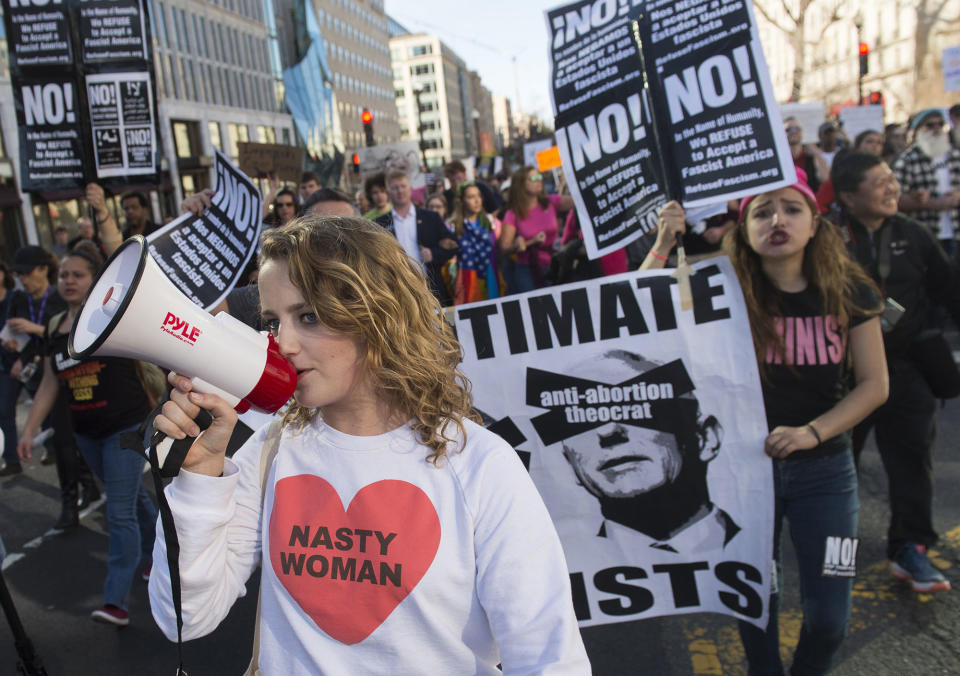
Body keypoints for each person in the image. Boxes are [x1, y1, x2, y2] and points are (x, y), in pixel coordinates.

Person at [148, 215, 590, 674]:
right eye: (273, 322)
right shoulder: (273, 448)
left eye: (309, 317)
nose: (284, 344)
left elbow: (549, 656)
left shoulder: (480, 465)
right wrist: (199, 479)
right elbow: (185, 617)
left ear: (379, 316)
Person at [643, 169, 888, 674]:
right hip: (747, 477)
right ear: (744, 228)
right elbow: (637, 308)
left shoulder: (850, 289)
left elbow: (875, 385)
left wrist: (812, 433)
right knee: (756, 607)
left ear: (816, 223)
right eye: (763, 211)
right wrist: (665, 243)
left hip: (828, 474)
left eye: (792, 208)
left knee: (830, 620)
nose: (778, 220)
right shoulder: (718, 285)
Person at [833, 151, 960, 593]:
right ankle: (834, 556)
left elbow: (950, 293)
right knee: (836, 468)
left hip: (904, 370)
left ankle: (911, 550)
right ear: (849, 196)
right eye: (880, 181)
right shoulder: (824, 239)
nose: (892, 188)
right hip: (840, 377)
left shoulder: (915, 235)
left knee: (911, 463)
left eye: (892, 179)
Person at [17, 244, 157, 626]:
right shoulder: (54, 326)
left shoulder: (112, 316)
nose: (68, 281)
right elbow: (49, 384)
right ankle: (161, 552)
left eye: (78, 275)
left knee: (119, 510)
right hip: (87, 434)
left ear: (95, 278)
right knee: (130, 498)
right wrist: (28, 431)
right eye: (64, 275)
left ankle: (115, 601)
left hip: (126, 427)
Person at [547, 350, 734, 555]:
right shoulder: (561, 562)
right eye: (581, 417)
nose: (607, 431)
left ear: (705, 438)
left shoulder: (766, 546)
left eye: (635, 406)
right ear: (570, 462)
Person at [0, 246, 67, 476]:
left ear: (43, 269)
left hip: (56, 370)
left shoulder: (59, 296)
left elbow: (67, 333)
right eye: (19, 274)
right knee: (39, 419)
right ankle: (18, 458)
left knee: (63, 426)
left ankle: (84, 484)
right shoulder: (19, 298)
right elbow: (13, 333)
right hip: (28, 368)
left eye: (26, 273)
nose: (22, 279)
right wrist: (12, 345)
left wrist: (35, 328)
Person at [376, 171, 459, 306]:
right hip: (399, 293)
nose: (400, 191)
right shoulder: (380, 224)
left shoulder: (431, 217)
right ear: (388, 192)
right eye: (395, 188)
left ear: (410, 189)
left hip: (432, 289)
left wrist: (433, 254)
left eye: (403, 186)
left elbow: (454, 245)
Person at [892, 108, 960, 259]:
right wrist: (928, 203)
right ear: (917, 131)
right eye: (930, 125)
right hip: (925, 234)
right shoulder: (906, 160)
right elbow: (895, 199)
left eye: (940, 124)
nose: (936, 129)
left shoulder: (955, 156)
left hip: (956, 233)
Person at [499, 166, 574, 294]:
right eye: (533, 178)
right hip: (528, 272)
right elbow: (504, 247)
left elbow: (578, 201)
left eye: (539, 177)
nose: (539, 180)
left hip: (554, 265)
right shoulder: (513, 214)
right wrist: (524, 243)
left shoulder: (551, 202)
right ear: (521, 184)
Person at [448, 182, 503, 304]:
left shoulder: (492, 223)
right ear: (461, 201)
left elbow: (503, 248)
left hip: (490, 278)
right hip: (466, 282)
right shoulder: (452, 227)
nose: (477, 200)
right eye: (471, 197)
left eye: (479, 196)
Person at [815, 129, 884, 215]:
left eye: (879, 143)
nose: (875, 145)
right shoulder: (843, 177)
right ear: (858, 146)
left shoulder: (886, 174)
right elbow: (819, 206)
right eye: (869, 142)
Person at [783, 117, 829, 193]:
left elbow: (824, 179)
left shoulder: (811, 155)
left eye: (797, 128)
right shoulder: (779, 158)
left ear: (802, 132)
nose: (793, 132)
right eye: (789, 129)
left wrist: (817, 155)